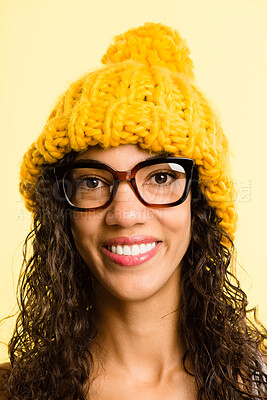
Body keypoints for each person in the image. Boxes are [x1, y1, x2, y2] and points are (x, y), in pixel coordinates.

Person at [0, 22, 266, 400]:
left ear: (200, 202)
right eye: (92, 181)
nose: (125, 213)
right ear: (62, 209)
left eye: (160, 177)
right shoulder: (12, 391)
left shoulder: (258, 385)